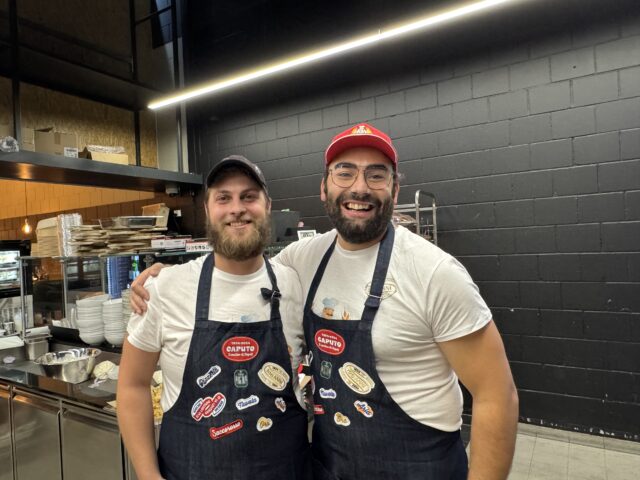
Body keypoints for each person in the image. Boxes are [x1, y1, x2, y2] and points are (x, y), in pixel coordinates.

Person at [132, 124, 519, 480]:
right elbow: (239, 266)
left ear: (395, 190)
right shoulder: (303, 260)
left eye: (376, 175)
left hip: (418, 466)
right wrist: (168, 273)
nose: (360, 188)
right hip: (329, 467)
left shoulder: (435, 273)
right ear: (324, 188)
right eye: (344, 173)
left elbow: (496, 396)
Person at [117, 155, 310, 480]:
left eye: (248, 196)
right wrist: (148, 476)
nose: (237, 208)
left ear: (267, 206)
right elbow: (132, 385)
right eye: (224, 198)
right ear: (207, 209)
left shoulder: (296, 284)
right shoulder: (165, 288)